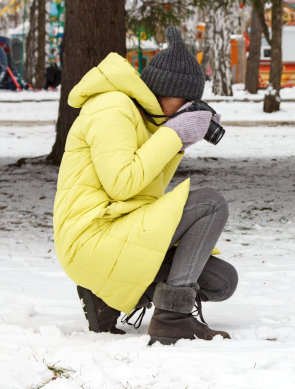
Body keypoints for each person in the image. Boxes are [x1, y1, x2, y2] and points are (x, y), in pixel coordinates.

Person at [53, 26, 237, 345]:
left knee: (221, 281)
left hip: (116, 232)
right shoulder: (112, 107)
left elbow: (145, 190)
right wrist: (173, 134)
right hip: (90, 238)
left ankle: (105, 298)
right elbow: (123, 184)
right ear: (166, 89)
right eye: (186, 101)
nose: (187, 109)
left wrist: (178, 143)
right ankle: (172, 318)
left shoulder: (146, 118)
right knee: (210, 203)